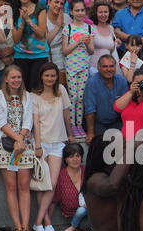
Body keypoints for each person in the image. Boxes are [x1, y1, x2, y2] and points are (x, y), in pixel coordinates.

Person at [0, 65, 35, 231]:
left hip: (23, 145)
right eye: (13, 77)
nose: (16, 80)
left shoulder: (28, 96)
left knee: (24, 186)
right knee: (11, 187)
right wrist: (17, 139)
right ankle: (17, 227)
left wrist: (21, 139)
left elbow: (28, 120)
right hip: (6, 144)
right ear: (6, 79)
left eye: (19, 77)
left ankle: (26, 226)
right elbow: (1, 122)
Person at [31, 62, 74, 231]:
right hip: (42, 143)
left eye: (53, 75)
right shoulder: (34, 96)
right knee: (43, 181)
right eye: (47, 75)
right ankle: (45, 220)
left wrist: (70, 134)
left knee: (52, 184)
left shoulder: (61, 90)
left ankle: (38, 220)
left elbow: (66, 114)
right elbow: (35, 122)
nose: (50, 78)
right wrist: (38, 145)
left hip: (58, 141)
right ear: (41, 76)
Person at [62, 0, 95, 139]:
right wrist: (78, 41)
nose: (80, 13)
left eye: (82, 10)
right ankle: (72, 124)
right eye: (77, 10)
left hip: (83, 66)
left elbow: (92, 51)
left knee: (81, 97)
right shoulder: (67, 28)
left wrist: (87, 44)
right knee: (73, 97)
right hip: (71, 66)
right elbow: (64, 50)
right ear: (71, 12)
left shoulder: (89, 28)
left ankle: (79, 125)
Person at [84, 54, 128, 143]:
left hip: (116, 121)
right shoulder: (92, 82)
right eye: (105, 66)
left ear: (115, 68)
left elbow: (127, 107)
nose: (109, 69)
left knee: (123, 140)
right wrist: (90, 133)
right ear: (99, 68)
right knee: (102, 142)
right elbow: (90, 110)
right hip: (97, 121)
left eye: (111, 66)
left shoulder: (122, 81)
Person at [12, 0, 49, 91]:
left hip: (39, 56)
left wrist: (28, 20)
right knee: (21, 90)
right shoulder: (14, 10)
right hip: (20, 56)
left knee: (36, 90)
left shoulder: (40, 9)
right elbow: (16, 39)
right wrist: (22, 22)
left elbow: (41, 34)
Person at [49, 143, 86, 231]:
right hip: (74, 215)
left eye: (78, 156)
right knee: (87, 226)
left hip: (92, 212)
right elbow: (53, 200)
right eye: (71, 157)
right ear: (65, 159)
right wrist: (47, 222)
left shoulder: (86, 170)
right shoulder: (61, 175)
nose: (75, 159)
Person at [112, 0, 143, 65]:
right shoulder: (120, 13)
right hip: (124, 52)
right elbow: (116, 31)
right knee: (124, 74)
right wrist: (134, 41)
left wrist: (137, 43)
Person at [46, 0, 72, 87]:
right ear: (49, 2)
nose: (59, 5)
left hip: (66, 61)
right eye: (56, 2)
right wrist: (57, 26)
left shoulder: (67, 18)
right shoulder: (43, 18)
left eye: (62, 3)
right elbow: (45, 42)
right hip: (49, 61)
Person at [88, 1, 118, 76]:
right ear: (95, 13)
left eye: (106, 12)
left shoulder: (111, 28)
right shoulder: (91, 28)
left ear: (109, 13)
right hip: (94, 69)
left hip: (108, 69)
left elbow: (112, 49)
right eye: (100, 12)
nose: (103, 15)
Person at [0, 0, 15, 74]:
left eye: (6, 4)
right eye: (0, 5)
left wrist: (13, 50)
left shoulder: (17, 20)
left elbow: (24, 41)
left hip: (16, 61)